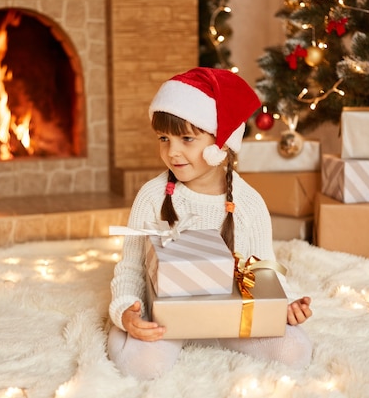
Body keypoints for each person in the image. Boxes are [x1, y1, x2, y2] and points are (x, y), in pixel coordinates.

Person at [108, 67, 313, 380]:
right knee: (141, 365)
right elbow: (132, 267)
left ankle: (214, 333)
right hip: (166, 315)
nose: (172, 151)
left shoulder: (248, 203)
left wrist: (281, 306)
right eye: (164, 138)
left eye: (187, 138)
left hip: (227, 315)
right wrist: (126, 311)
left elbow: (263, 269)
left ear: (221, 145)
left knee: (295, 351)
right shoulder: (151, 196)